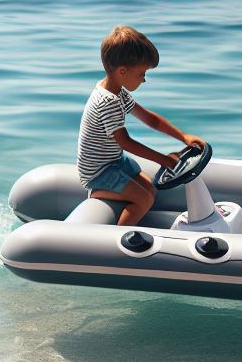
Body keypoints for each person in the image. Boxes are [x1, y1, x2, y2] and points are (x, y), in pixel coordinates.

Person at [77, 24, 205, 227]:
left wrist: (183, 137)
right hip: (99, 171)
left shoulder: (117, 90)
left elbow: (149, 118)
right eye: (141, 73)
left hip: (114, 160)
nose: (144, 79)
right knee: (144, 199)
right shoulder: (107, 100)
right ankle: (115, 238)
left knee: (150, 190)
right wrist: (163, 159)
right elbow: (125, 142)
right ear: (122, 71)